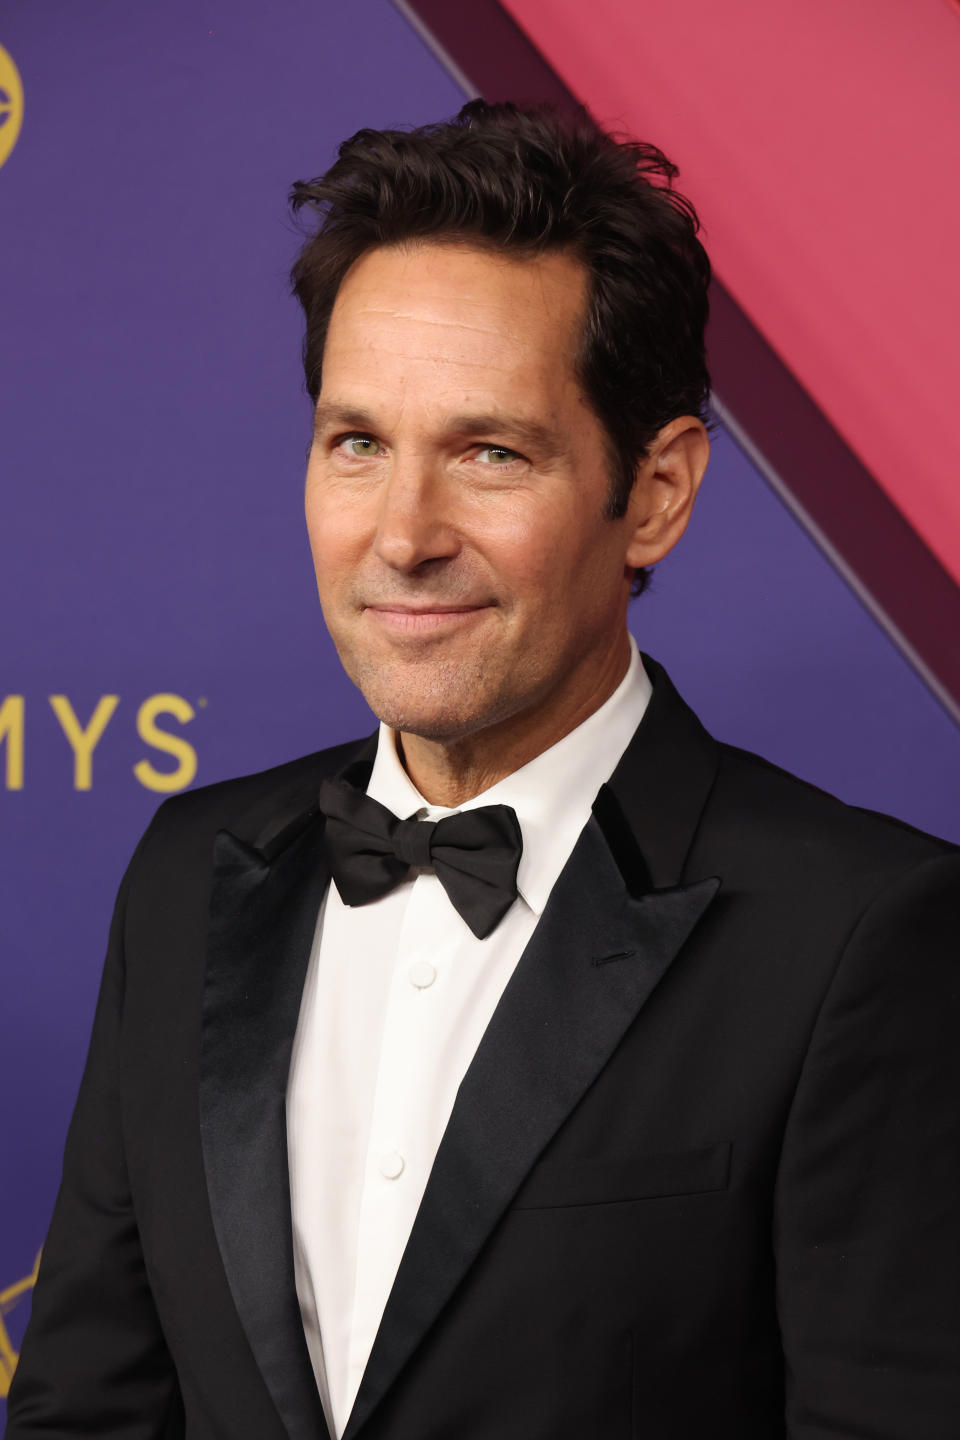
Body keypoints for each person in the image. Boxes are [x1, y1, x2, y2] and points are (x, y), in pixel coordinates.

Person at [7, 100, 959, 1440]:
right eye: (359, 444)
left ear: (660, 492)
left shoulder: (864, 934)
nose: (402, 535)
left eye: (490, 453)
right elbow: (87, 1412)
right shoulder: (188, 874)